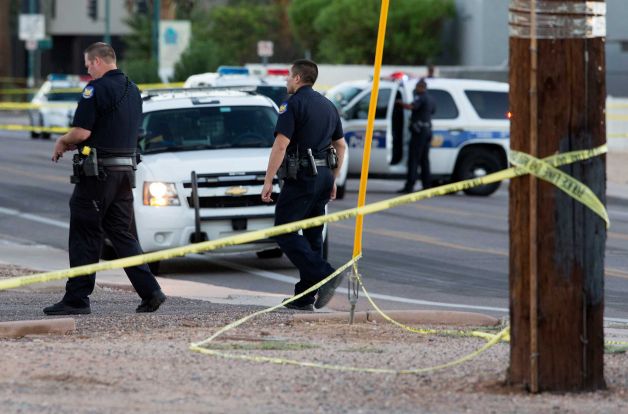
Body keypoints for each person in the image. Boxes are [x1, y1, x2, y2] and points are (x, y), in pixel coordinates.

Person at [44, 42, 166, 315]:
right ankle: (151, 291)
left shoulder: (95, 89)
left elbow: (82, 132)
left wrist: (63, 141)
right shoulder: (133, 90)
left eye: (88, 64)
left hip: (98, 175)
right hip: (125, 173)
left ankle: (77, 299)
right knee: (123, 234)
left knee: (85, 232)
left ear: (98, 61)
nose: (88, 70)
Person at [261, 59, 347, 311]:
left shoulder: (292, 104)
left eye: (289, 76)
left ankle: (326, 274)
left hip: (303, 177)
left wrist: (268, 180)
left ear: (298, 78)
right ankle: (305, 296)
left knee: (283, 231)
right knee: (312, 236)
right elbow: (340, 145)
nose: (287, 80)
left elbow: (281, 145)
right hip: (323, 176)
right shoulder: (328, 105)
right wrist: (333, 177)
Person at [397, 78, 436, 193]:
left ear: (421, 87)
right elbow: (433, 111)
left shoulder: (420, 97)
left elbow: (411, 107)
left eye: (417, 86)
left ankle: (409, 186)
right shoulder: (431, 98)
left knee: (413, 160)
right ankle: (427, 185)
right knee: (424, 160)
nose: (415, 89)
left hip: (419, 133)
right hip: (427, 130)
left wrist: (400, 103)